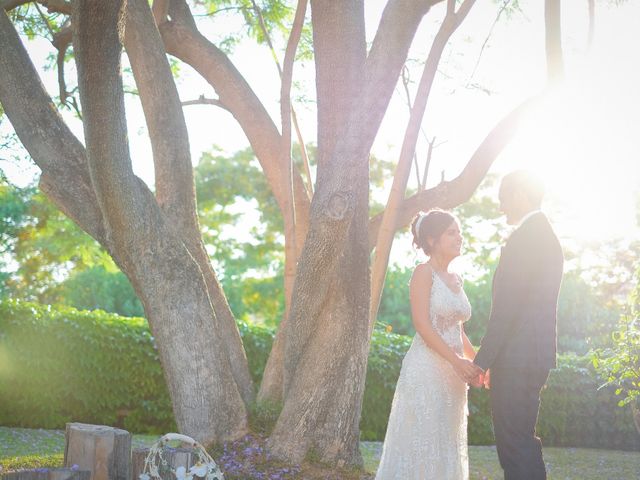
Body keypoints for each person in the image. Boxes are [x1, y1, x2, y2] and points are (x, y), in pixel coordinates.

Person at [375, 209, 482, 480]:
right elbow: (423, 325)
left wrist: (478, 363)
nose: (459, 237)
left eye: (459, 231)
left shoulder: (457, 278)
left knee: (446, 440)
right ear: (432, 240)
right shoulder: (423, 273)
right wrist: (457, 361)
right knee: (423, 438)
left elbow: (458, 329)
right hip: (427, 370)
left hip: (454, 377)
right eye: (451, 232)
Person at [473, 170, 564, 480]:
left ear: (520, 195)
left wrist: (482, 360)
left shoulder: (529, 237)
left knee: (514, 446)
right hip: (529, 354)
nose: (501, 208)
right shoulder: (541, 233)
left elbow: (507, 308)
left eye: (503, 198)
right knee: (520, 442)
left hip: (518, 356)